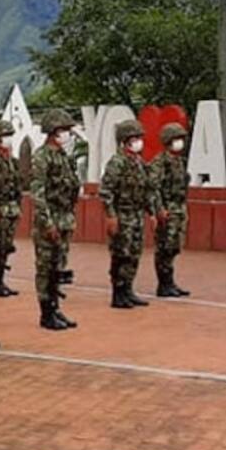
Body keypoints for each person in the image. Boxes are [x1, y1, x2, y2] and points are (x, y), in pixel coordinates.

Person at [30, 109, 82, 330]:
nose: (67, 135)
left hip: (64, 218)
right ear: (53, 132)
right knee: (46, 268)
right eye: (64, 130)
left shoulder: (64, 157)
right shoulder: (41, 157)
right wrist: (47, 222)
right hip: (49, 221)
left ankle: (55, 308)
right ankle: (46, 312)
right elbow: (37, 193)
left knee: (58, 266)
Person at [99, 118, 156, 309]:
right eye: (134, 138)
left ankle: (129, 290)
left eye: (139, 137)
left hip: (137, 215)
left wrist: (152, 213)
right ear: (124, 141)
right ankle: (118, 293)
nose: (138, 141)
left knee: (134, 254)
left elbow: (147, 189)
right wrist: (110, 215)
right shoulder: (117, 163)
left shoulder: (139, 163)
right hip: (122, 215)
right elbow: (106, 191)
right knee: (120, 254)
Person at [150, 122, 191, 298]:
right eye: (176, 139)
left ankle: (170, 282)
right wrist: (159, 209)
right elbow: (154, 187)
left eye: (181, 138)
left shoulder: (180, 162)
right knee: (164, 246)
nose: (180, 142)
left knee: (174, 246)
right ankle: (164, 284)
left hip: (179, 208)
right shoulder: (160, 163)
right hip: (167, 208)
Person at [0, 119, 22, 299]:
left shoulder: (12, 161)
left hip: (11, 209)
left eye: (10, 136)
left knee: (6, 246)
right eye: (5, 136)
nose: (8, 140)